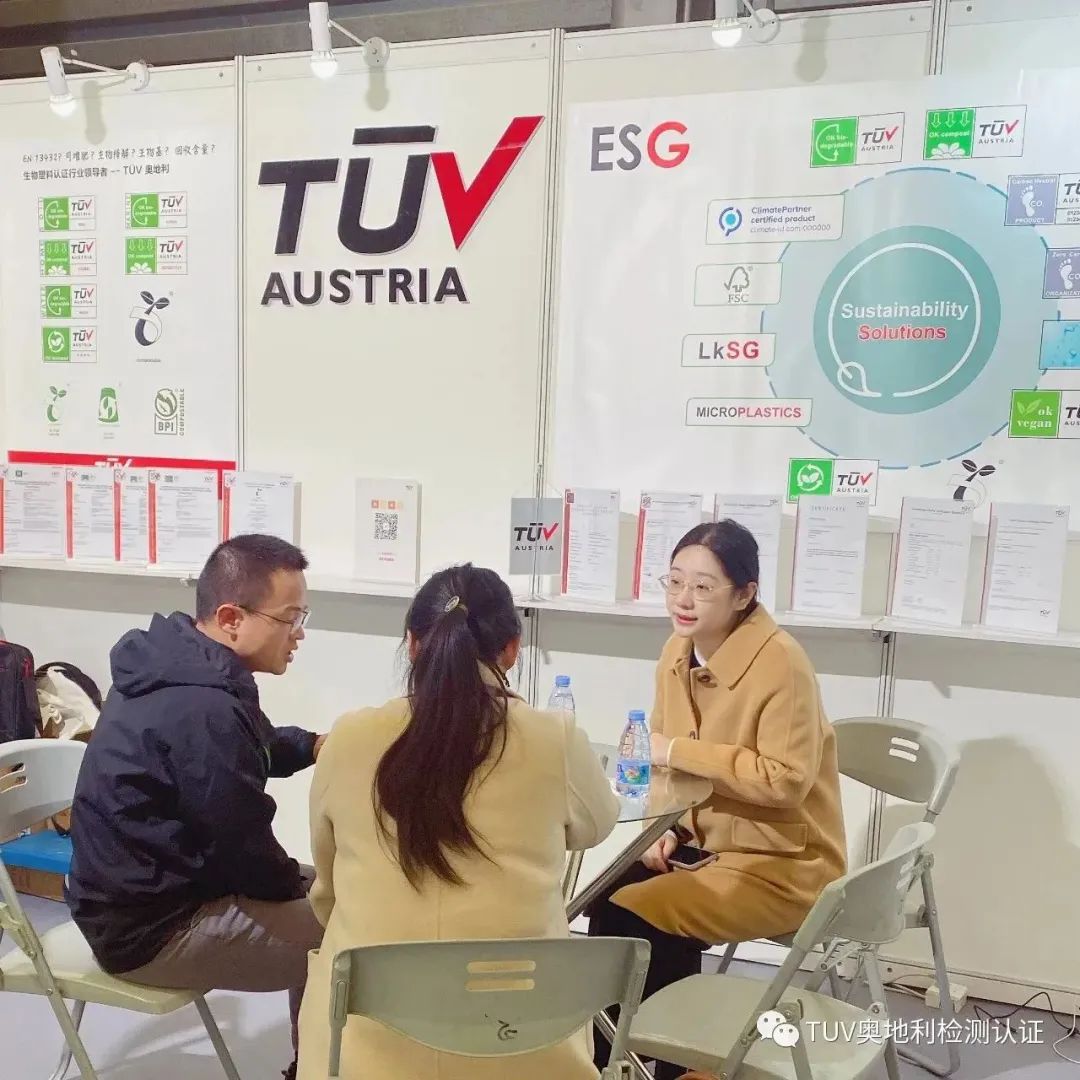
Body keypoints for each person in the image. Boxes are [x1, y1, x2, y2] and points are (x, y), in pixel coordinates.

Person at [297, 564, 620, 1080]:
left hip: (362, 1048)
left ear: (412, 643)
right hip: (523, 1045)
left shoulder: (350, 738)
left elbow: (328, 886)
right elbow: (596, 826)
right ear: (512, 649)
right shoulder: (553, 740)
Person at [589, 520, 847, 1080]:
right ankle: (626, 1060)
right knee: (603, 890)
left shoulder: (782, 663)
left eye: (703, 587)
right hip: (705, 844)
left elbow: (784, 780)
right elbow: (666, 770)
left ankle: (660, 1060)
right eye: (675, 581)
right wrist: (665, 829)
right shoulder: (677, 651)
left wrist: (680, 750)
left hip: (782, 863)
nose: (683, 599)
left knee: (635, 914)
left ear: (744, 594)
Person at [66, 534, 325, 1080]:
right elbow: (241, 847)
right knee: (345, 936)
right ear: (232, 618)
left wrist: (315, 745)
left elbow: (256, 745)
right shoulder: (201, 703)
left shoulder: (186, 666)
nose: (300, 634)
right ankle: (314, 1070)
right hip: (150, 928)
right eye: (291, 618)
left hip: (153, 892)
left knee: (335, 889)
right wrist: (301, 889)